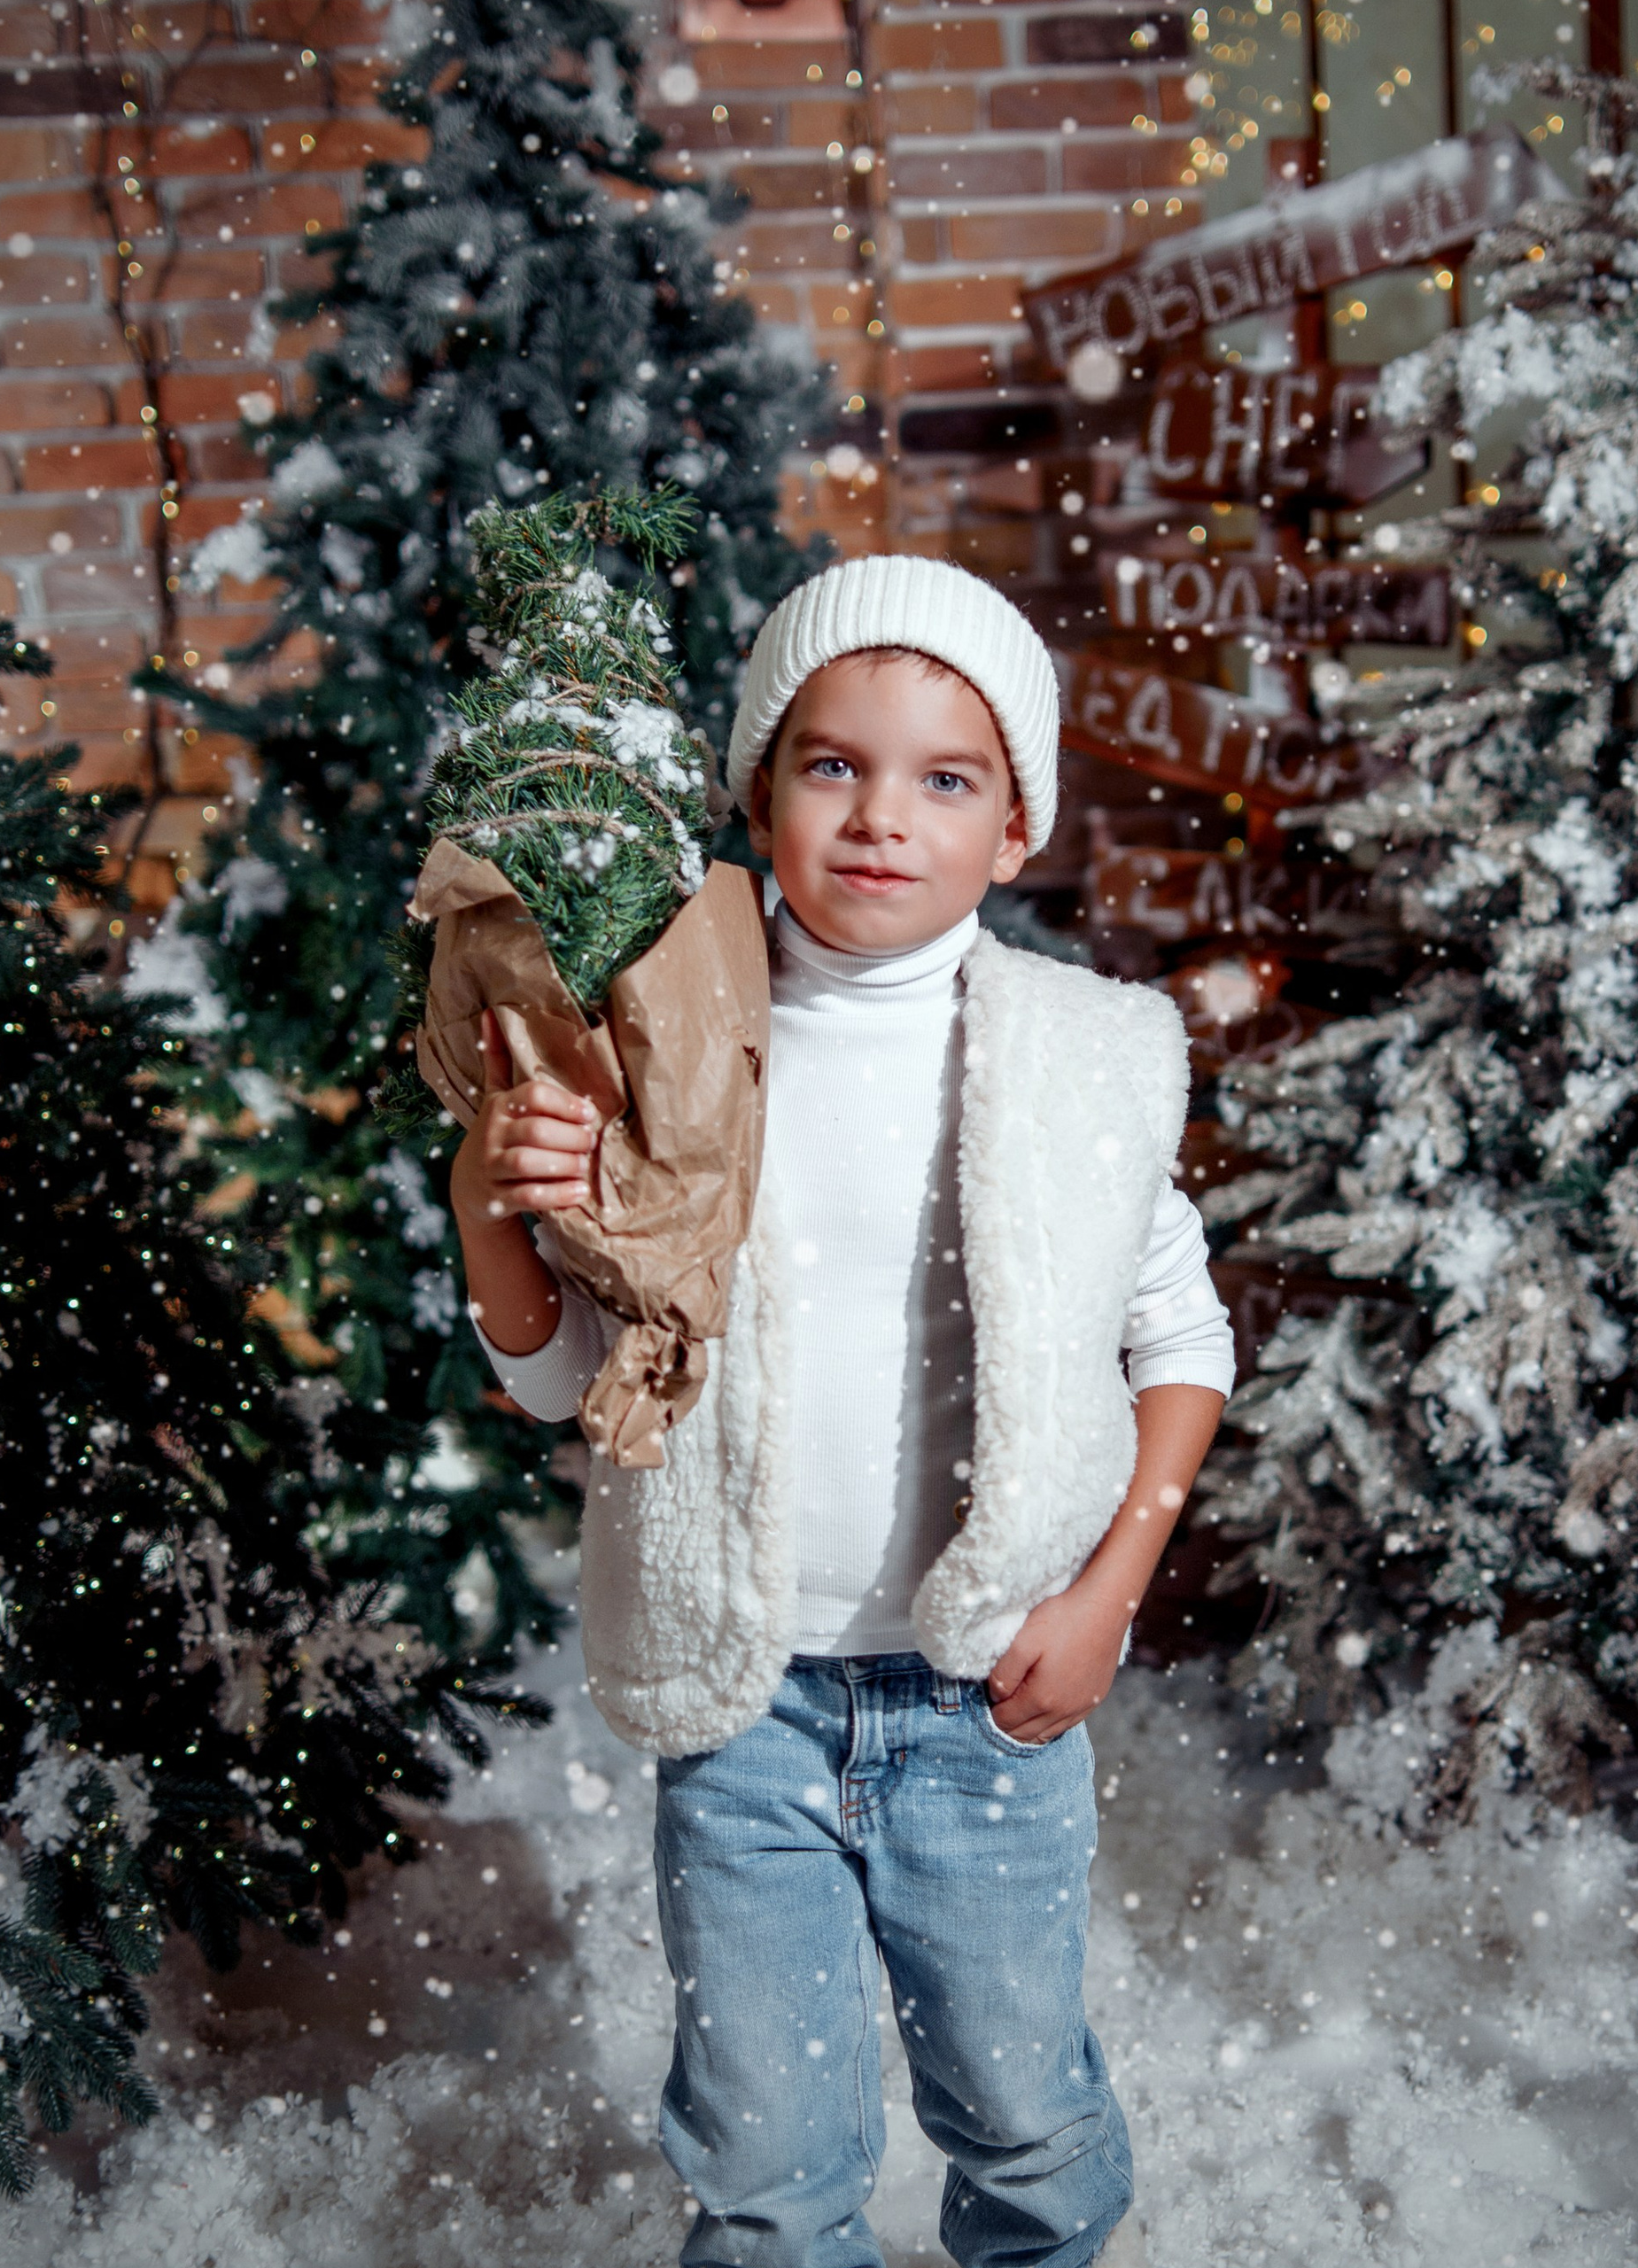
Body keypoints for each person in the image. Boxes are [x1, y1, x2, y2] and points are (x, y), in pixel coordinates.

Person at [449, 553, 1236, 2268]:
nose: (882, 817)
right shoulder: (672, 1051)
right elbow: (568, 1382)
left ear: (1013, 824)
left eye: (944, 778)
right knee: (766, 2159)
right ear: (753, 793)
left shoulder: (1081, 1061)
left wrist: (1110, 1587)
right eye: (830, 765)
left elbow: (1179, 1339)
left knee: (1024, 2114)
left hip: (988, 1707)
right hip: (749, 1709)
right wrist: (487, 1205)